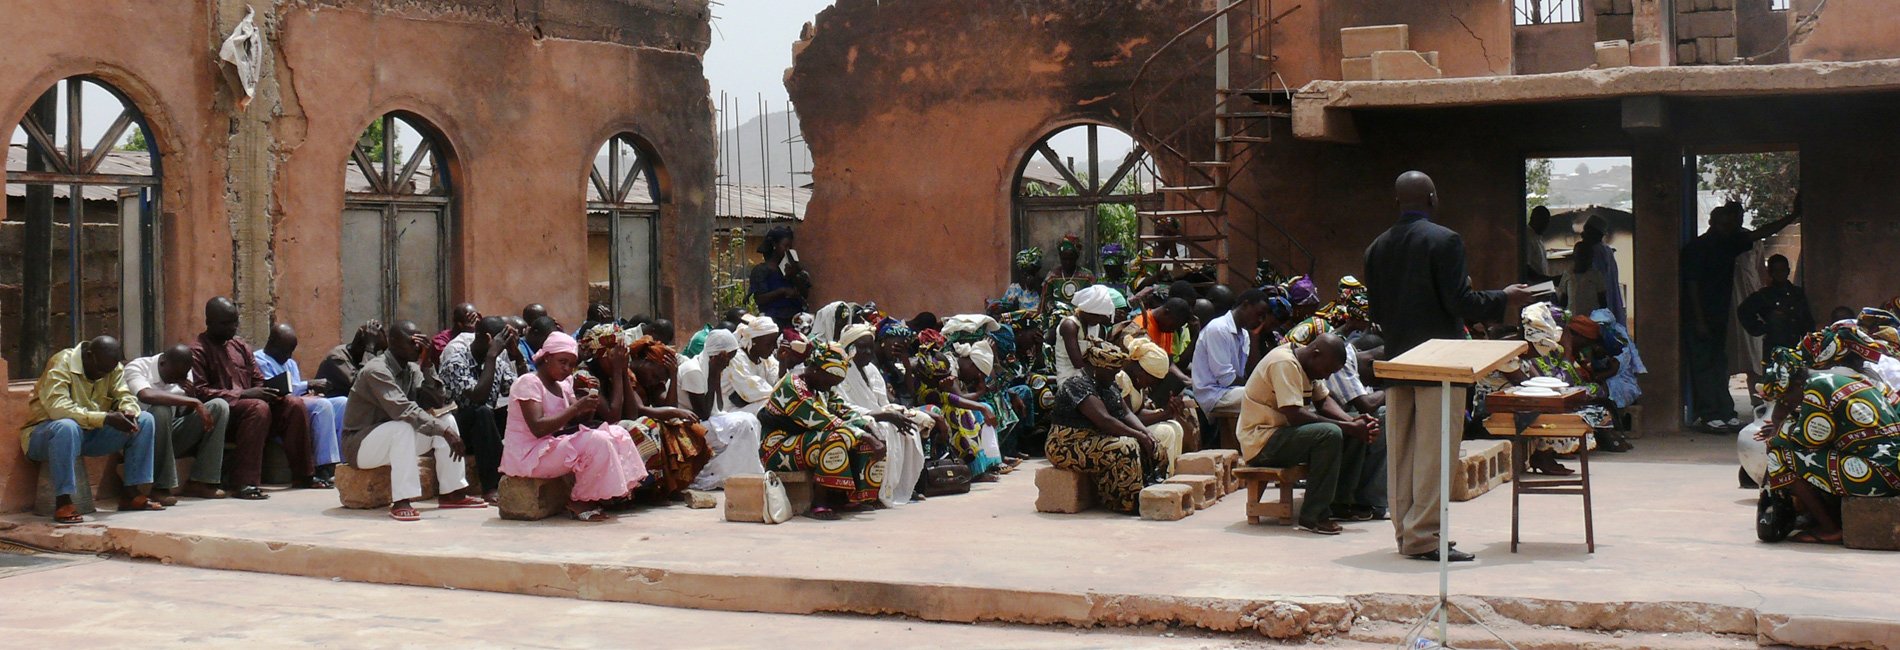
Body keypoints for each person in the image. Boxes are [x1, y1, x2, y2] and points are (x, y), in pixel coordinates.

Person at [1364, 171, 1532, 561]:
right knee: (1435, 451)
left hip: (1397, 360)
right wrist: (1503, 297)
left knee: (1402, 453)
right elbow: (1461, 303)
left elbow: (1375, 310)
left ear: (1397, 202)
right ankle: (1424, 536)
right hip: (1441, 364)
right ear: (1433, 198)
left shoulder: (1376, 247)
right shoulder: (1445, 240)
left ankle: (1406, 534)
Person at [1755, 336, 1900, 545]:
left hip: (1878, 473)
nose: (1785, 402)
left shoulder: (1817, 387)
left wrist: (1781, 424)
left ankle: (1829, 528)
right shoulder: (1834, 379)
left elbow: (1810, 439)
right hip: (1889, 466)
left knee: (1780, 453)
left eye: (1785, 397)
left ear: (1797, 383)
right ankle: (1820, 516)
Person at [340, 321, 485, 520]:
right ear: (392, 342)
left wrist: (427, 364)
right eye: (412, 342)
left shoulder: (412, 369)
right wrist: (443, 432)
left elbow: (436, 401)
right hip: (360, 445)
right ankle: (402, 500)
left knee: (447, 419)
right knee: (403, 427)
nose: (418, 346)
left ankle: (452, 492)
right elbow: (403, 409)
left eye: (421, 341)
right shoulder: (376, 370)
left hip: (394, 439)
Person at [1237, 333, 1376, 535]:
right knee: (1329, 434)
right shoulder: (1284, 363)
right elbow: (1295, 415)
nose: (1327, 377)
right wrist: (1348, 426)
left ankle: (1340, 503)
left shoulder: (1307, 363)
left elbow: (1323, 401)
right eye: (1327, 370)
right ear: (1316, 355)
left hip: (1285, 435)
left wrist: (1354, 423)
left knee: (1351, 431)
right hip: (1262, 442)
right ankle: (1314, 515)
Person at [503, 332, 648, 521]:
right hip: (528, 455)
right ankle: (579, 500)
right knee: (596, 440)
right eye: (562, 362)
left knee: (618, 432)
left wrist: (586, 408)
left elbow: (573, 421)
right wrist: (576, 407)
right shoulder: (529, 383)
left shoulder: (563, 386)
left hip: (550, 446)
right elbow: (538, 428)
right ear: (547, 358)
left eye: (571, 365)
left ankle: (609, 495)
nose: (567, 369)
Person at [1684, 198, 1801, 432]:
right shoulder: (1697, 249)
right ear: (1712, 223)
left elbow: (1760, 233)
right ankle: (1709, 414)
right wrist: (1699, 320)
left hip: (1720, 315)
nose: (1729, 229)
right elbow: (1692, 287)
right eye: (1725, 225)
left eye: (1732, 225)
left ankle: (1725, 412)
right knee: (1704, 365)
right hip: (1701, 316)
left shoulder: (1729, 243)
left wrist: (1792, 216)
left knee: (1720, 364)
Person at [20, 336, 165, 523]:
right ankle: (64, 501)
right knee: (66, 426)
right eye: (100, 370)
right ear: (89, 356)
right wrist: (104, 418)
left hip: (87, 434)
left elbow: (124, 395)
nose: (103, 375)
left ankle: (131, 493)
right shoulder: (61, 363)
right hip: (45, 435)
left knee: (145, 420)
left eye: (108, 372)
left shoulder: (112, 368)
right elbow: (58, 409)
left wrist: (128, 411)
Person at [190, 297, 315, 499]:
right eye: (226, 323)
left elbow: (257, 379)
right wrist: (244, 394)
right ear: (209, 322)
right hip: (225, 415)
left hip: (255, 409)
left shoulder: (239, 345)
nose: (233, 327)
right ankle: (245, 482)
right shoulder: (198, 351)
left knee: (294, 403)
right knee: (257, 407)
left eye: (235, 322)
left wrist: (271, 392)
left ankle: (304, 475)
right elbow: (201, 392)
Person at [759, 342, 887, 519]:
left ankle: (850, 498)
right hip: (777, 448)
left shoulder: (821, 389)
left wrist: (870, 428)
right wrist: (865, 436)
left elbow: (844, 411)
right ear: (816, 370)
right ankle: (819, 504)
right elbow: (824, 420)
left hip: (803, 440)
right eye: (829, 382)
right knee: (834, 438)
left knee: (867, 438)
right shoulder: (792, 386)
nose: (830, 387)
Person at [1044, 342, 1170, 514]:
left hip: (1093, 440)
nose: (1115, 376)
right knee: (1126, 446)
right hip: (1067, 444)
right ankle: (1125, 501)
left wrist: (1146, 433)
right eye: (1112, 372)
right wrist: (1138, 436)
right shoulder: (1076, 385)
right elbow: (1105, 420)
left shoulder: (1107, 385)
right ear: (1098, 368)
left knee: (1154, 441)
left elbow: (1126, 413)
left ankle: (1151, 485)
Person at [837, 323, 932, 505]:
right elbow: (844, 406)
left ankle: (901, 487)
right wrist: (883, 416)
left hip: (879, 415)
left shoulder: (871, 370)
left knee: (910, 427)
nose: (867, 352)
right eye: (861, 347)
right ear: (849, 348)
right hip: (858, 419)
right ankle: (878, 491)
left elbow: (884, 403)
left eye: (869, 347)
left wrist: (897, 413)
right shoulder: (841, 371)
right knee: (887, 428)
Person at [125, 345, 230, 503]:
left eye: (183, 375)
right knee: (161, 409)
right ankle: (161, 487)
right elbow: (145, 395)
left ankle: (201, 481)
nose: (179, 380)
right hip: (141, 436)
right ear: (163, 363)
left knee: (219, 406)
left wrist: (190, 398)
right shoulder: (137, 367)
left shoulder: (183, 372)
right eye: (174, 375)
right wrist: (193, 402)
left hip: (171, 432)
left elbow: (183, 414)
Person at [439, 316, 519, 502]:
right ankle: (491, 486)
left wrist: (517, 357)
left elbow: (519, 390)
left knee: (515, 409)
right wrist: (491, 356)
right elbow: (478, 397)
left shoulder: (498, 362)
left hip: (485, 427)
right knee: (481, 412)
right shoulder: (456, 362)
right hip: (456, 430)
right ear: (490, 339)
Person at [254, 323, 344, 487]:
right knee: (322, 406)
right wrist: (308, 385)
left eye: (291, 351)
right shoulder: (259, 360)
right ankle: (324, 467)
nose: (288, 355)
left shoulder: (290, 362)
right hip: (280, 409)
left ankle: (342, 464)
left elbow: (298, 391)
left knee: (341, 403)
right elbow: (278, 390)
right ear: (271, 342)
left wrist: (310, 392)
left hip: (300, 402)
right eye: (285, 350)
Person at [677, 329, 767, 491]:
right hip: (686, 427)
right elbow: (703, 414)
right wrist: (714, 373)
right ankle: (711, 476)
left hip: (701, 422)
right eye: (728, 359)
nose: (729, 364)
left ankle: (740, 474)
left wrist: (716, 373)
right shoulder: (693, 370)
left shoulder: (710, 368)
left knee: (749, 420)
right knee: (743, 425)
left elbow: (718, 407)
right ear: (717, 355)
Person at [622, 336, 713, 496]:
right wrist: (675, 412)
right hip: (626, 425)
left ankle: (669, 485)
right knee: (651, 426)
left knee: (684, 428)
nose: (655, 381)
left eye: (661, 379)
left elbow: (669, 406)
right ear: (645, 361)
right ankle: (648, 489)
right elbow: (639, 410)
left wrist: (674, 373)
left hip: (643, 424)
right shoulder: (628, 374)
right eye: (655, 376)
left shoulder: (652, 381)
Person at [1194, 289, 1276, 417]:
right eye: (1258, 314)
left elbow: (1247, 372)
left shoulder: (1244, 334)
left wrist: (1255, 339)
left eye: (1263, 317)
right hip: (1214, 394)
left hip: (1231, 391)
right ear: (1245, 305)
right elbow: (1226, 379)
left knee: (1273, 395)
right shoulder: (1218, 328)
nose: (1260, 320)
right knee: (1267, 397)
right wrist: (1258, 386)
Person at [1118, 337, 1191, 471]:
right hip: (1125, 431)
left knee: (1175, 426)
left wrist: (1167, 411)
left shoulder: (1138, 384)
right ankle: (1163, 475)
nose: (1153, 384)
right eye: (1152, 379)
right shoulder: (1123, 379)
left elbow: (1138, 412)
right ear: (1141, 371)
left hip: (1136, 426)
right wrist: (1164, 414)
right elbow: (1128, 418)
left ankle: (1172, 473)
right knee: (1166, 432)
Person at [1738, 254, 1816, 365]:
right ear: (1770, 273)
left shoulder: (1797, 293)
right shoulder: (1764, 295)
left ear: (1788, 271)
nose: (1779, 274)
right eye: (1776, 271)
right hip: (1774, 347)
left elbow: (1807, 320)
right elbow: (1744, 311)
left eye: (1782, 270)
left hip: (1796, 345)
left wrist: (1809, 343)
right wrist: (1762, 327)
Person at [1559, 217, 1624, 325]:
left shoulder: (1596, 253)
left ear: (1596, 234)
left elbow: (1602, 296)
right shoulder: (1606, 250)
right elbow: (1564, 300)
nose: (1582, 235)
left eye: (1586, 231)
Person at [1054, 286, 1117, 381]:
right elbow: (1077, 363)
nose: (1098, 319)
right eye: (1096, 316)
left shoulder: (1096, 326)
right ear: (1085, 311)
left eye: (1100, 316)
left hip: (1090, 376)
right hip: (1069, 378)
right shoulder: (1070, 325)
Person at [750, 227, 809, 325]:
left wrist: (795, 276)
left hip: (796, 320)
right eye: (785, 246)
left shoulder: (792, 268)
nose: (787, 250)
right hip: (773, 321)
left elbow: (805, 294)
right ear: (774, 245)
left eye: (790, 247)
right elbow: (759, 299)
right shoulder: (761, 270)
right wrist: (782, 291)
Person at [724, 316, 783, 413]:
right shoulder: (736, 358)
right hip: (729, 410)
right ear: (754, 341)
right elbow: (752, 392)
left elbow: (776, 382)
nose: (775, 347)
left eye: (775, 343)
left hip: (747, 407)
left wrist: (783, 363)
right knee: (772, 405)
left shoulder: (765, 358)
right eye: (769, 344)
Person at [317, 321, 385, 399]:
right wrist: (369, 349)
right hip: (334, 405)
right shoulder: (337, 357)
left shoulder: (361, 358)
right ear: (360, 345)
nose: (374, 355)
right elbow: (361, 384)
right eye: (374, 351)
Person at [1043, 234, 1097, 314]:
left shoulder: (1087, 277)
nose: (1067, 262)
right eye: (1064, 259)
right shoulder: (1052, 277)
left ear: (1076, 257)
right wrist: (1053, 309)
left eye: (1071, 259)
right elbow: (1046, 300)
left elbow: (1093, 299)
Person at [1003, 248, 1045, 313]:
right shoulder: (1014, 289)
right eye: (1026, 273)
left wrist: (1038, 288)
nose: (1029, 277)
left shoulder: (1043, 288)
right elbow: (1005, 308)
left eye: (1032, 273)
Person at [1523, 205, 1556, 284]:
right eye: (1544, 222)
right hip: (1533, 287)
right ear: (1534, 219)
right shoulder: (1527, 238)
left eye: (1547, 222)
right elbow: (1525, 268)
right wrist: (1546, 280)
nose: (1546, 226)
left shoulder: (1537, 238)